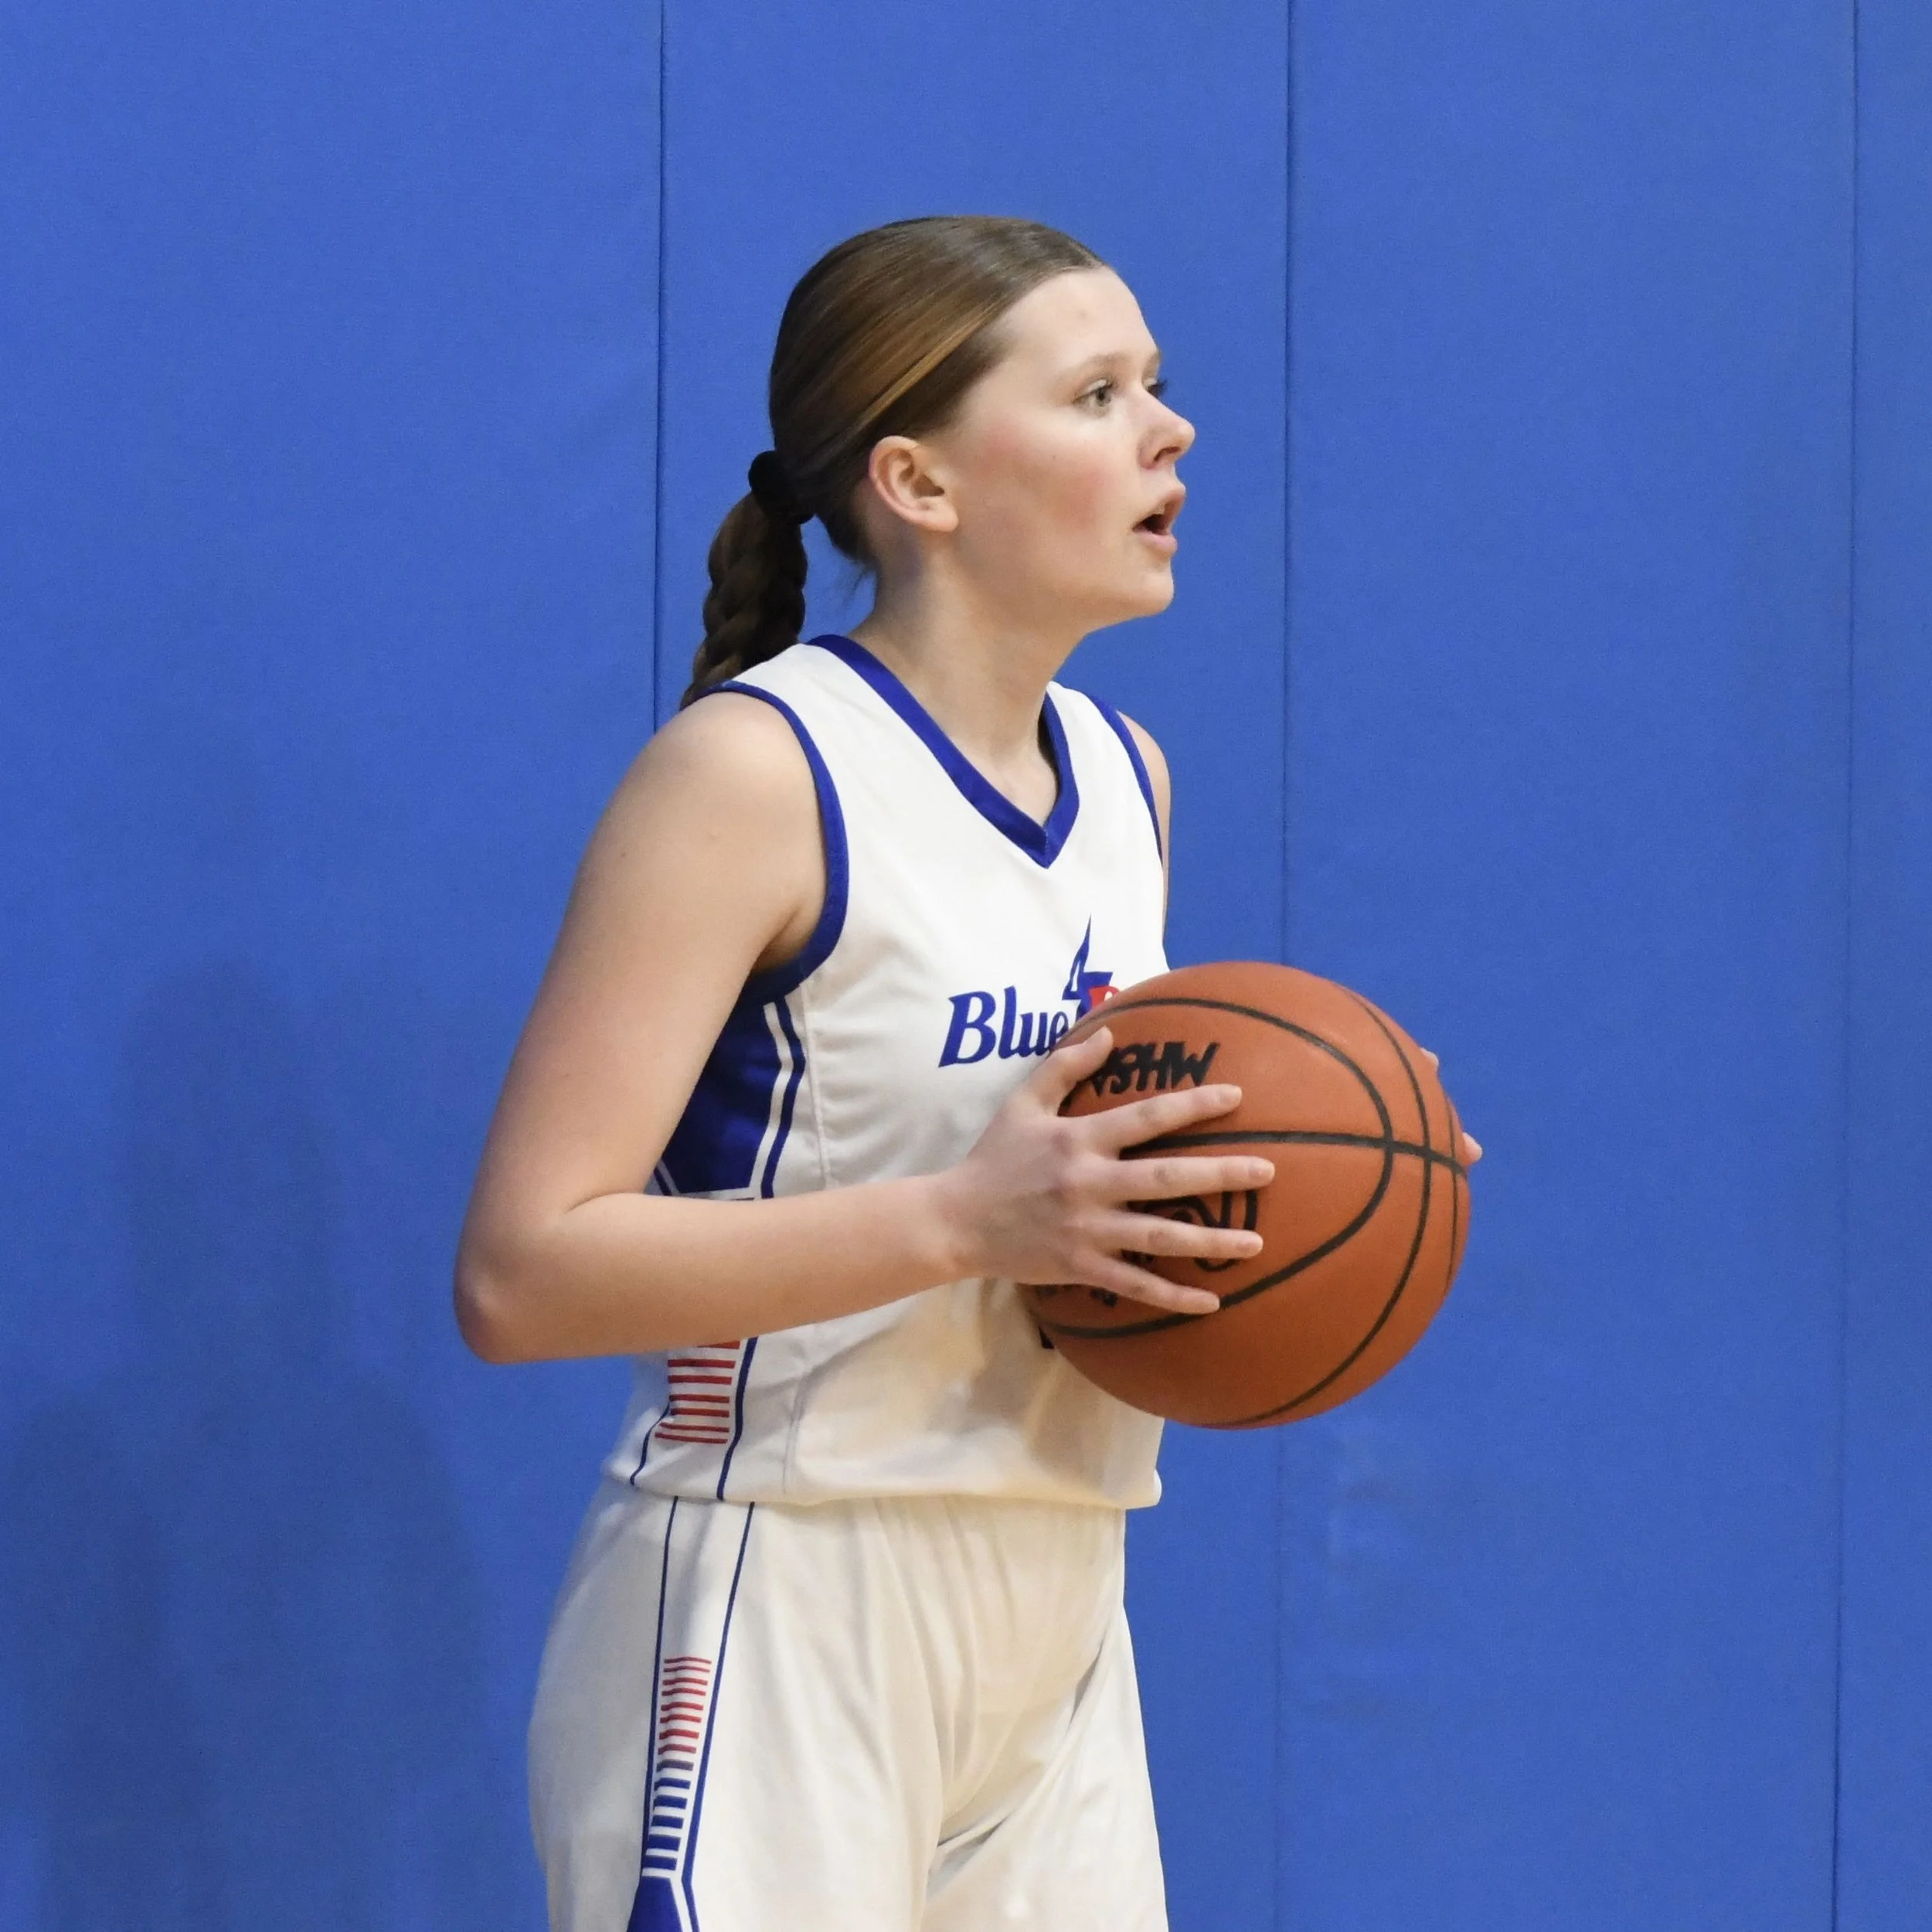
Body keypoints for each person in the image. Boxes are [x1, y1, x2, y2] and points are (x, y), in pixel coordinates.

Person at [457, 214, 1283, 1931]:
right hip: (781, 1588)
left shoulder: (1125, 779)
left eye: (1158, 384)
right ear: (917, 480)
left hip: (1059, 1592)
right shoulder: (752, 773)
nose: (1168, 428)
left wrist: (1323, 1164)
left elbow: (1079, 1211)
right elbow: (522, 1271)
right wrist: (967, 1218)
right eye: (1096, 390)